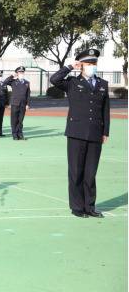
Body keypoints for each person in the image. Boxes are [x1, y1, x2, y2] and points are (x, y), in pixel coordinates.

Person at [50, 49, 109, 218]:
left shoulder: (102, 84)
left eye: (94, 64)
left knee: (91, 173)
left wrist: (105, 131)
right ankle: (77, 207)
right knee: (76, 172)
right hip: (76, 133)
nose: (92, 67)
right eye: (89, 64)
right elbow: (54, 79)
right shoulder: (72, 83)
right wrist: (69, 66)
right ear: (81, 65)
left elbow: (105, 110)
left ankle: (90, 207)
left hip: (95, 133)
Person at [3, 66, 31, 140]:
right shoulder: (13, 81)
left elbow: (28, 94)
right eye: (19, 72)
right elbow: (5, 82)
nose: (21, 73)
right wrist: (12, 76)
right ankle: (14, 135)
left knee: (20, 120)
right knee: (14, 120)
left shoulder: (27, 83)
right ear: (17, 73)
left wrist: (28, 104)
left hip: (23, 104)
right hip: (15, 103)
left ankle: (20, 134)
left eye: (22, 72)